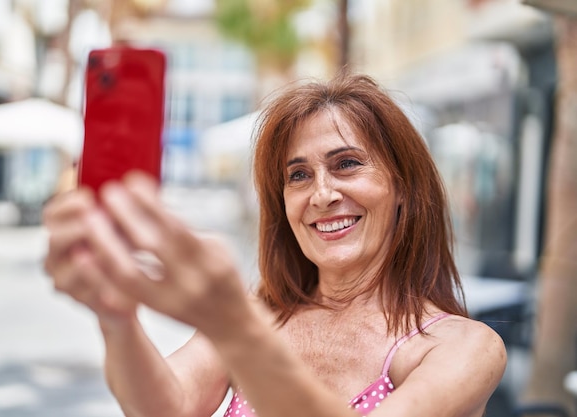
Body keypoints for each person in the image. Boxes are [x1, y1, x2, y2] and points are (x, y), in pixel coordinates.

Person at [43, 72, 507, 417]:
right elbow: (170, 407)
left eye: (346, 164)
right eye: (299, 175)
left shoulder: (465, 348)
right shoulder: (265, 312)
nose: (322, 195)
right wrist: (116, 314)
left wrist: (239, 330)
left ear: (402, 187)